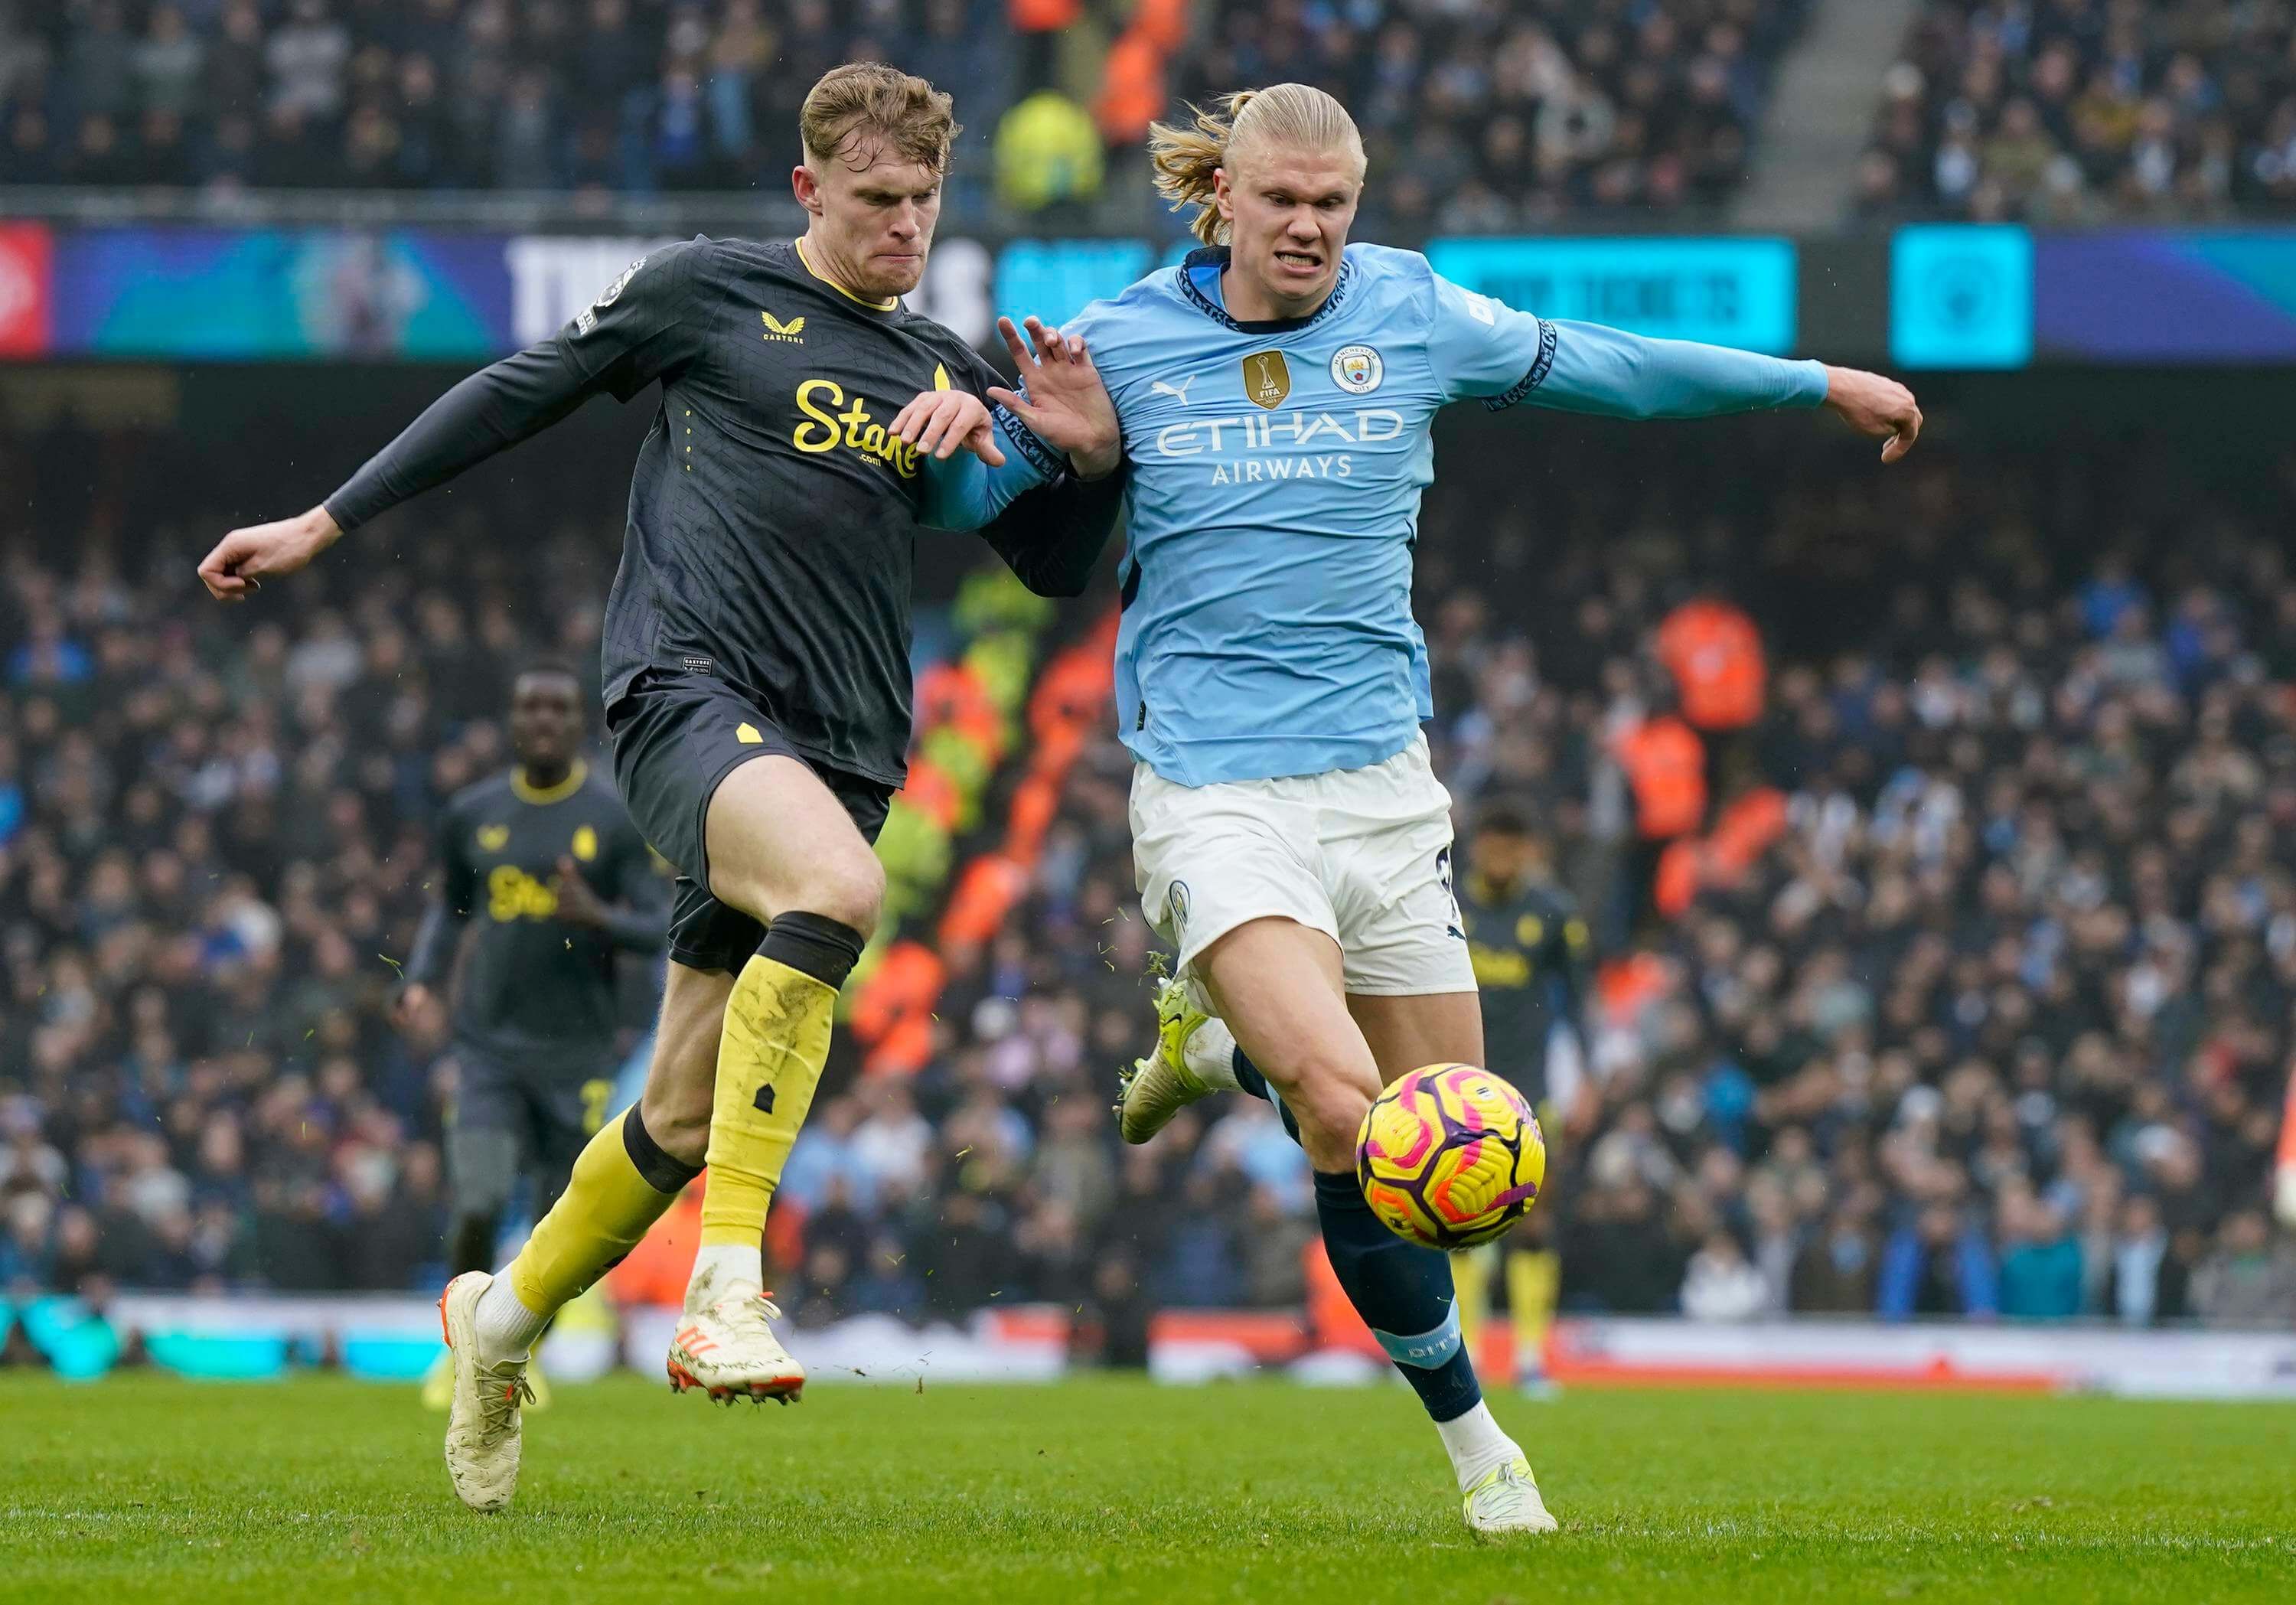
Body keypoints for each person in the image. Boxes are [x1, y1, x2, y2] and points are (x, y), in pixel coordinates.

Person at [197, 61, 1123, 1513]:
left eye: (925, 200)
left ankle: (500, 1323)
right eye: (877, 198)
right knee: (837, 891)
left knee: (683, 1114)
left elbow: (1055, 568)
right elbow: (520, 392)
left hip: (843, 746)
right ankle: (728, 1286)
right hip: (683, 695)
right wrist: (328, 519)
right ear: (809, 189)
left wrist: (1084, 455)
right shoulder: (707, 291)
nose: (905, 225)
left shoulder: (943, 365)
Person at [1062, 83, 1919, 1533]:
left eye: (1334, 203)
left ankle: (1216, 1050)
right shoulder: (1123, 340)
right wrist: (1029, 441)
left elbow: (1614, 368)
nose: (1310, 227)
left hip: (1383, 788)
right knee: (1352, 1116)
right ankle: (1482, 1449)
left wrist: (1810, 380)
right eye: (1283, 201)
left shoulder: (1408, 310)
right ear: (1223, 200)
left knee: (1457, 1161)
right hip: (1214, 786)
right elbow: (1002, 494)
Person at [396, 661, 667, 1405]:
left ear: (578, 722)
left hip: (576, 1054)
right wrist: (419, 978)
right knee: (479, 1201)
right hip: (487, 1047)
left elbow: (660, 925)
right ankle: (463, 1357)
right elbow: (449, 908)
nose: (543, 720)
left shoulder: (613, 819)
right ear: (513, 723)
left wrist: (598, 917)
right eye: (530, 708)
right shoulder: (473, 814)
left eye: (557, 708)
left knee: (561, 1225)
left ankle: (516, 1358)